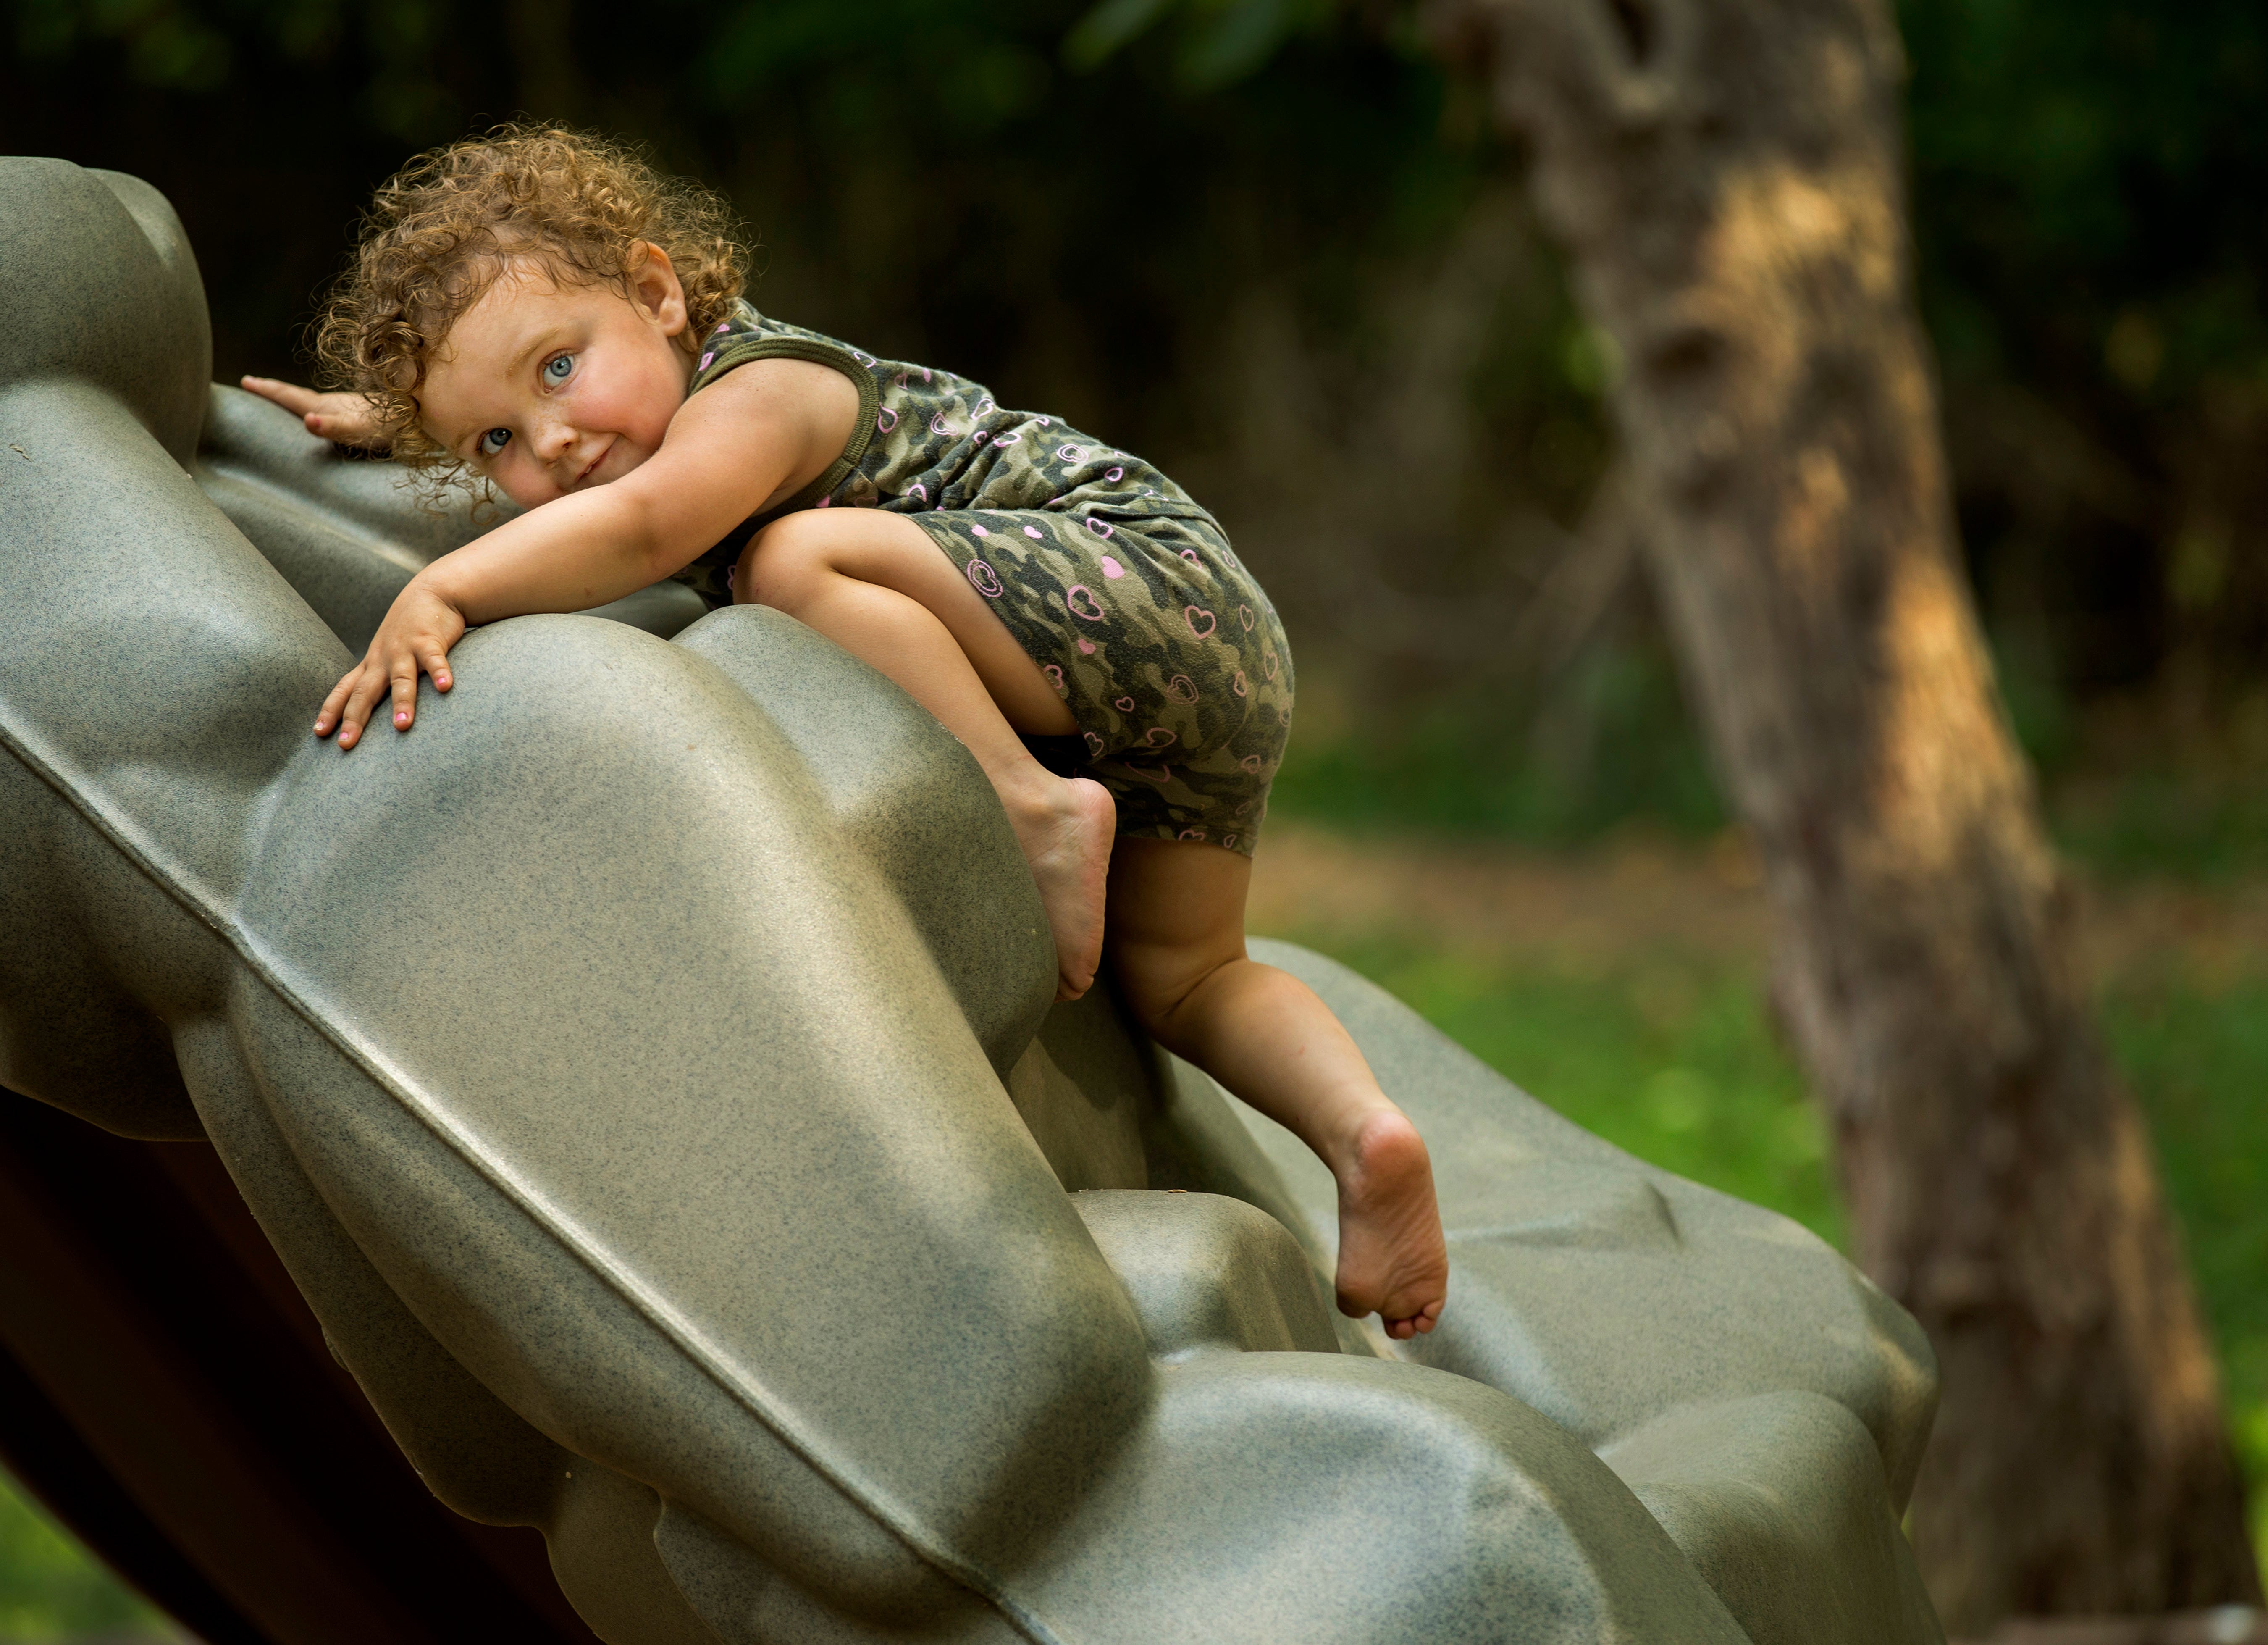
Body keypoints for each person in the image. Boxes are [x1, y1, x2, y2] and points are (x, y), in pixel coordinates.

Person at [247, 125, 1447, 1340]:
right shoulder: (630, 405)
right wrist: (403, 423)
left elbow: (651, 526)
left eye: (557, 369)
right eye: (494, 443)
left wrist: (445, 590)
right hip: (1193, 679)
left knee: (792, 555)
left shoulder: (761, 388)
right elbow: (563, 454)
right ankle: (1367, 1138)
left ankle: (1031, 805)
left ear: (661, 294)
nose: (547, 441)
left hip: (1142, 577)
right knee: (1191, 979)